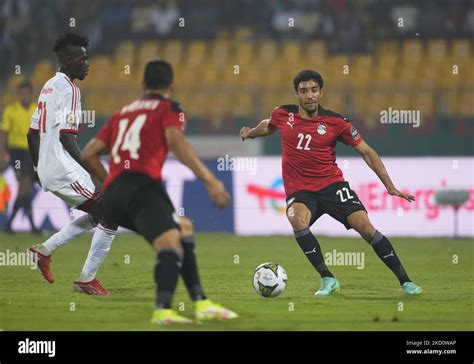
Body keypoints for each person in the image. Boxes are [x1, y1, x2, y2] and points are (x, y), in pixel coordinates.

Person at [82, 59, 238, 324]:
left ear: (143, 85)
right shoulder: (171, 108)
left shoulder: (122, 113)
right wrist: (210, 180)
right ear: (172, 86)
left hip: (114, 195)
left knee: (183, 229)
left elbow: (88, 154)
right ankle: (163, 310)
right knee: (170, 243)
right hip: (143, 188)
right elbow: (177, 143)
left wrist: (112, 182)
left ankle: (201, 303)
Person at [240, 70, 422, 296]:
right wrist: (250, 133)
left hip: (332, 186)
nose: (309, 95)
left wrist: (390, 186)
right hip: (301, 190)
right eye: (304, 90)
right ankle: (328, 279)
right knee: (297, 219)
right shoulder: (283, 115)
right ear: (296, 93)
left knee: (366, 228)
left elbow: (367, 151)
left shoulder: (336, 122)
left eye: (314, 90)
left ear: (321, 93)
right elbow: (268, 125)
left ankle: (406, 282)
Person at [27, 31, 118, 295]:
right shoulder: (70, 90)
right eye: (82, 59)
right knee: (111, 212)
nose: (87, 64)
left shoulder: (48, 86)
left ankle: (44, 251)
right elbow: (67, 136)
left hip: (48, 166)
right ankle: (87, 279)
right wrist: (95, 174)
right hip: (60, 165)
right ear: (68, 61)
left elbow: (31, 133)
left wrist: (37, 169)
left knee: (100, 213)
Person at [0, 81, 39, 233]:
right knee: (24, 186)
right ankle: (32, 226)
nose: (24, 96)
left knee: (26, 189)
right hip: (16, 153)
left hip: (31, 153)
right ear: (19, 95)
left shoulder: (37, 109)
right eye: (21, 93)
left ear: (31, 94)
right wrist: (2, 153)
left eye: (27, 93)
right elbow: (4, 133)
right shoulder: (11, 110)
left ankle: (10, 224)